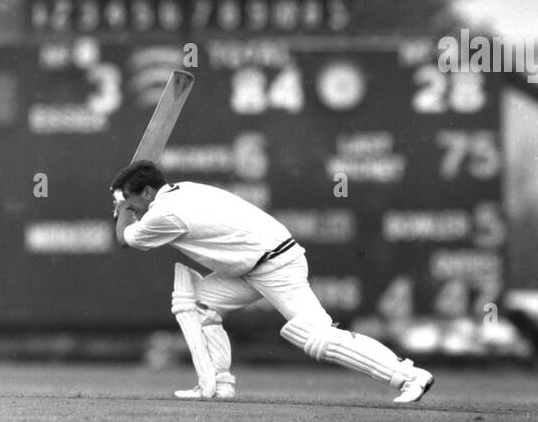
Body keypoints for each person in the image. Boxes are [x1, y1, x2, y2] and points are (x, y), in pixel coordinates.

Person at [110, 160, 434, 404]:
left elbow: (125, 239)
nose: (133, 208)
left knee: (316, 336)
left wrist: (120, 208)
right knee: (197, 303)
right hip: (252, 265)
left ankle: (408, 376)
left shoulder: (163, 214)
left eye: (133, 201)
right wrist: (127, 202)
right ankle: (217, 385)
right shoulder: (187, 189)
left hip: (275, 265)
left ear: (148, 192)